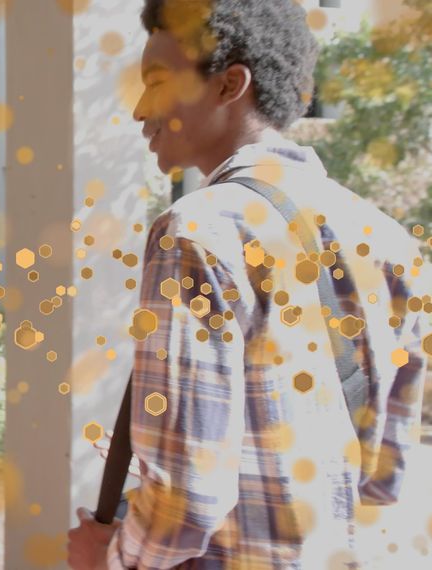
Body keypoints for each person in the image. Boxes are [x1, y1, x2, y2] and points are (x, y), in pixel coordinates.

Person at [68, 1, 429, 568]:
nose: (141, 110)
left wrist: (111, 554)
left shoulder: (197, 231)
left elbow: (187, 503)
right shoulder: (391, 243)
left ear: (230, 85)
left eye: (158, 83)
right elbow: (383, 475)